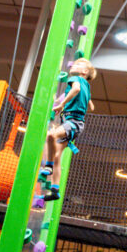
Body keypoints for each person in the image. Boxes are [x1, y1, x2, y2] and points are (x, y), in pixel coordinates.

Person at [40, 58, 97, 202]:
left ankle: (48, 166)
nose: (73, 65)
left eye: (78, 64)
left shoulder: (75, 78)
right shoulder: (87, 85)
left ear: (84, 72)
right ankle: (55, 190)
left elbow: (76, 89)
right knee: (57, 155)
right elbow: (87, 96)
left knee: (50, 135)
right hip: (76, 125)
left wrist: (62, 104)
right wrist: (89, 103)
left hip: (72, 122)